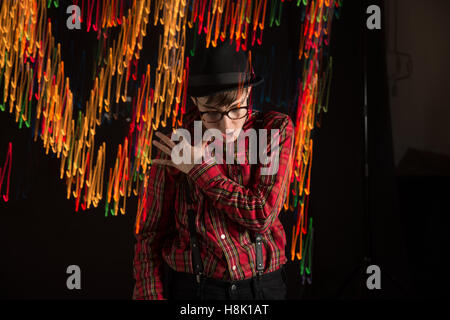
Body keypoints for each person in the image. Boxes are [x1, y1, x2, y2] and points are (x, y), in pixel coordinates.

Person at [132, 42, 294, 300]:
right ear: (196, 102)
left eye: (236, 109)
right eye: (213, 113)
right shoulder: (177, 142)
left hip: (262, 290)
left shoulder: (274, 130)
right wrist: (149, 295)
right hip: (193, 290)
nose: (227, 125)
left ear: (248, 94)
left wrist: (199, 168)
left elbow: (261, 214)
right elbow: (151, 235)